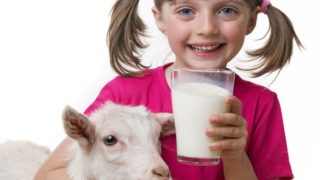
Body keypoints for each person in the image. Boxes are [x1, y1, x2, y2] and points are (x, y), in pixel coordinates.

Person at [35, 0, 303, 179]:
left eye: (227, 10)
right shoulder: (124, 94)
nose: (207, 28)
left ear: (251, 20)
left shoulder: (261, 105)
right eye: (186, 10)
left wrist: (235, 157)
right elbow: (49, 175)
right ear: (160, 19)